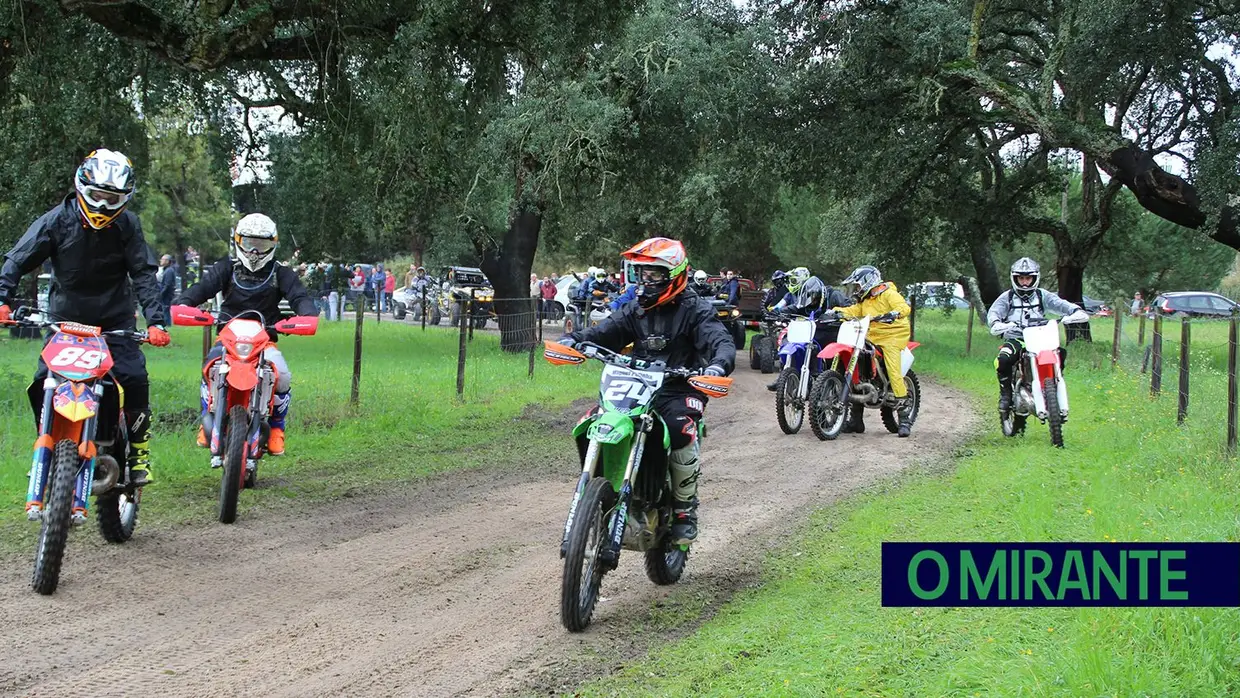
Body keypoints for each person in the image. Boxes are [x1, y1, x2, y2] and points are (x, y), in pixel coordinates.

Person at [0, 149, 170, 485]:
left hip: (114, 324)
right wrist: (1, 298)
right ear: (81, 187)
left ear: (125, 198)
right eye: (97, 196)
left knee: (134, 377)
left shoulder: (128, 226)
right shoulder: (55, 221)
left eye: (113, 198)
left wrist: (155, 321)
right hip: (63, 322)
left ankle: (139, 453)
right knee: (42, 380)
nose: (104, 205)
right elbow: (16, 260)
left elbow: (143, 274)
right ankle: (46, 443)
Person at [556, 237, 735, 544]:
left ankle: (683, 510)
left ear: (675, 275)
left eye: (654, 275)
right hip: (635, 385)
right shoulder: (634, 310)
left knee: (681, 430)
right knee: (592, 421)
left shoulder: (696, 311)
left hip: (679, 388)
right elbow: (605, 332)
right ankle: (602, 489)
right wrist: (575, 341)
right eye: (641, 274)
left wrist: (717, 366)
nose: (646, 282)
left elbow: (720, 341)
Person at [175, 213, 318, 457]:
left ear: (272, 245)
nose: (254, 251)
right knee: (209, 369)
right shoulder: (226, 269)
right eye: (249, 243)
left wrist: (305, 316)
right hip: (227, 338)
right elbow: (202, 289)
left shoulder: (281, 273)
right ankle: (207, 417)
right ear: (238, 241)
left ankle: (276, 428)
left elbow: (299, 297)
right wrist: (185, 304)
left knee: (282, 375)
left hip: (265, 338)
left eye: (261, 245)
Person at [986, 257, 1088, 413]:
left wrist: (1075, 311)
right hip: (1017, 338)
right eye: (1021, 278)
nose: (1025, 282)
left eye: (1028, 278)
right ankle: (1005, 394)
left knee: (1061, 353)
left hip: (1040, 338)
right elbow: (993, 314)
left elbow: (1061, 304)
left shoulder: (1042, 295)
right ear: (1015, 278)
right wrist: (998, 324)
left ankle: (1052, 385)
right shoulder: (1007, 297)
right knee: (1004, 359)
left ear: (1035, 278)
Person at [827, 265, 914, 436]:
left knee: (894, 371)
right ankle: (856, 420)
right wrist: (836, 312)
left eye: (858, 286)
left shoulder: (889, 293)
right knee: (856, 363)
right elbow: (854, 311)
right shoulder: (866, 301)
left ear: (868, 282)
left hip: (893, 334)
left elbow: (904, 307)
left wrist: (895, 313)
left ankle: (904, 420)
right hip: (871, 335)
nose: (857, 289)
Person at [766, 267, 850, 394]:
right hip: (812, 332)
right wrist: (778, 312)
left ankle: (839, 387)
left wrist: (837, 314)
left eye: (815, 300)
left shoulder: (833, 295)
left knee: (835, 359)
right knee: (794, 344)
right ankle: (787, 376)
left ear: (820, 295)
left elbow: (849, 307)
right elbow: (795, 307)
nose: (812, 303)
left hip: (832, 332)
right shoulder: (802, 298)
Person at [158, 253, 178, 322]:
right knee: (165, 309)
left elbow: (167, 285)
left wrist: (161, 294)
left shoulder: (169, 271)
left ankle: (166, 323)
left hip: (167, 295)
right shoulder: (167, 270)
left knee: (165, 309)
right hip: (166, 294)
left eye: (162, 259)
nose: (160, 260)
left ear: (167, 261)